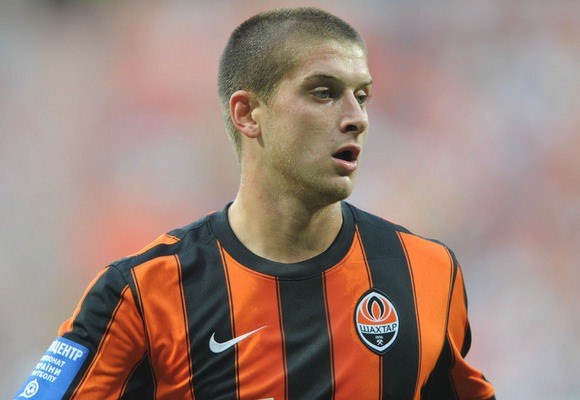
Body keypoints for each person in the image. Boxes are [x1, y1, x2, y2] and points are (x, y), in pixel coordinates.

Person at [15, 7, 496, 400]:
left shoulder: (428, 273)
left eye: (362, 96)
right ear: (247, 114)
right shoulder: (143, 294)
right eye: (324, 92)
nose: (357, 117)